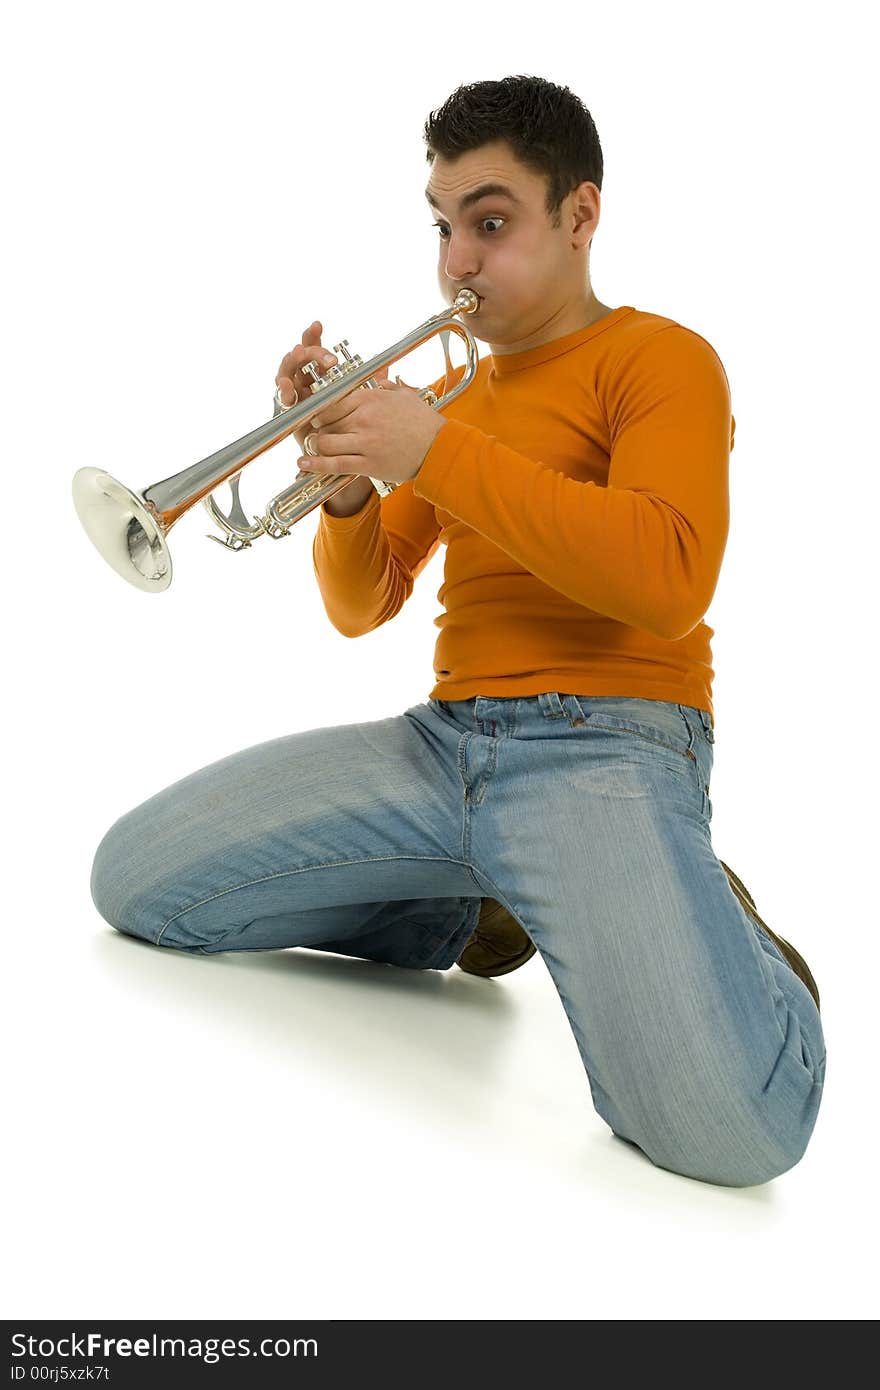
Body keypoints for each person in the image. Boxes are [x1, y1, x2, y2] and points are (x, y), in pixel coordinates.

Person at [89, 75, 825, 1187]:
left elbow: (668, 576)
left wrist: (430, 450)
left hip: (608, 744)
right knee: (138, 882)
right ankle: (481, 902)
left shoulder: (659, 359)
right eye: (442, 226)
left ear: (579, 217)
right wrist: (344, 482)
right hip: (440, 746)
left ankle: (737, 952)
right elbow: (362, 604)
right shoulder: (460, 399)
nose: (456, 261)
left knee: (732, 1135)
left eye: (490, 222)